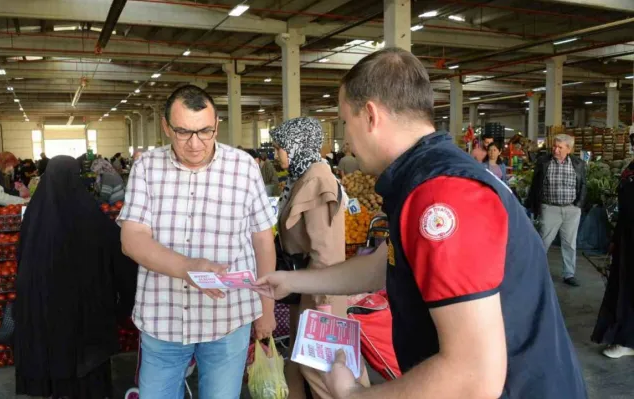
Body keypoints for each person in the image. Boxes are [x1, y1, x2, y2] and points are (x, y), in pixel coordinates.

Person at [254, 47, 587, 399]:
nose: (346, 141)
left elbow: (471, 377)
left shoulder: (441, 196)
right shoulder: (421, 178)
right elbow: (383, 266)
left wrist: (352, 394)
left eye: (345, 123)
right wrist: (291, 280)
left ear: (370, 116)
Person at [117, 85, 277, 399]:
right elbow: (132, 239)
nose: (194, 144)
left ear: (217, 125)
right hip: (164, 317)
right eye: (183, 132)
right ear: (166, 127)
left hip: (228, 318)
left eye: (205, 132)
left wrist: (266, 308)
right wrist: (188, 268)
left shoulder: (243, 168)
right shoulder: (146, 168)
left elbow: (262, 242)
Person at [14, 155, 138, 399]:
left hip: (45, 308)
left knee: (54, 353)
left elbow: (21, 260)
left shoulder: (33, 219)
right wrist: (126, 302)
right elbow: (119, 254)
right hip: (85, 310)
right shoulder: (90, 215)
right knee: (86, 367)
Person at [270, 117, 369, 398]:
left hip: (319, 291)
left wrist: (324, 305)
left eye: (281, 147)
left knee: (323, 370)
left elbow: (325, 251)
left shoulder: (316, 181)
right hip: (306, 287)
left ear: (297, 146)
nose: (277, 153)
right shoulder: (303, 177)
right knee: (301, 364)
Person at [591, 134, 634, 359]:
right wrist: (616, 238)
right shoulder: (631, 169)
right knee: (623, 288)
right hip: (627, 238)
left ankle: (627, 340)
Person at [527, 134, 587, 287]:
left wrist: (578, 205)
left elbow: (583, 185)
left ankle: (569, 274)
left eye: (560, 147)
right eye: (555, 146)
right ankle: (534, 272)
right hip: (550, 208)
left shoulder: (578, 164)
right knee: (543, 241)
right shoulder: (544, 162)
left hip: (571, 210)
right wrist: (534, 205)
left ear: (569, 149)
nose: (556, 149)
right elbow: (535, 185)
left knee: (569, 244)